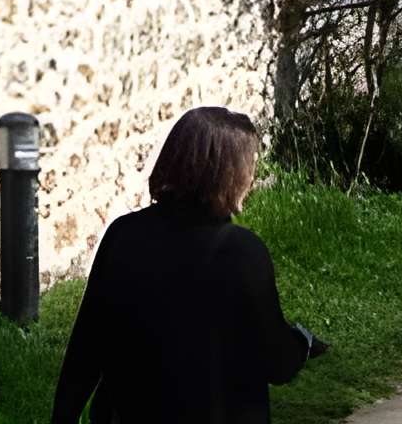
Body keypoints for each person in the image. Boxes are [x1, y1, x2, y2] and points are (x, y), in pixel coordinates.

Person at [51, 106, 320, 422]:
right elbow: (278, 362)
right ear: (227, 174)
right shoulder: (242, 252)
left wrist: (63, 417)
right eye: (249, 166)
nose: (253, 177)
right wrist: (303, 342)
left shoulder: (123, 235)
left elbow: (87, 349)